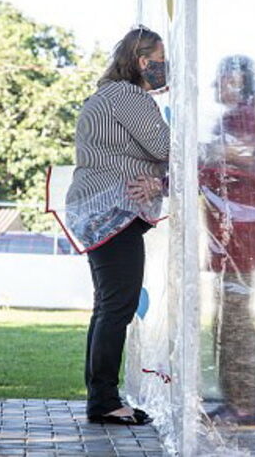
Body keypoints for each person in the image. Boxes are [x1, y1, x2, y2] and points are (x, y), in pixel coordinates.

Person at [65, 26, 169, 426]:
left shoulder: (107, 95)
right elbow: (165, 147)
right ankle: (105, 402)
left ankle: (102, 396)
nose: (165, 68)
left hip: (98, 209)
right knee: (117, 307)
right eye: (161, 59)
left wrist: (159, 180)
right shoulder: (129, 94)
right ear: (144, 62)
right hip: (114, 210)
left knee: (107, 306)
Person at [199, 55, 255, 426]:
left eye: (226, 80)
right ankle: (237, 402)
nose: (218, 87)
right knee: (228, 320)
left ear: (242, 83)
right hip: (232, 236)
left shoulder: (246, 117)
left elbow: (243, 156)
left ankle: (243, 406)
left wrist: (199, 154)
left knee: (235, 323)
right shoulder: (234, 119)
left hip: (240, 237)